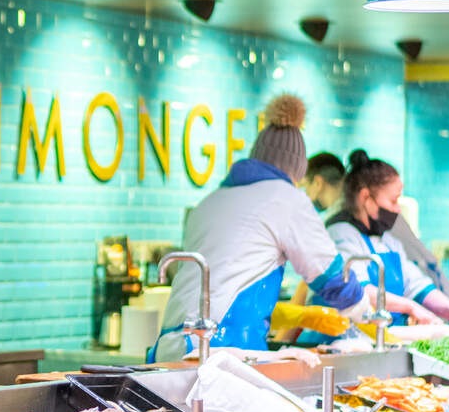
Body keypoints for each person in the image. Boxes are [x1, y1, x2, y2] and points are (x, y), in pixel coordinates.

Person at [153, 96, 368, 360]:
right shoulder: (286, 198)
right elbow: (331, 276)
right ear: (297, 171)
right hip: (221, 349)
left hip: (169, 349)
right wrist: (364, 310)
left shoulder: (210, 201)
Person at [326, 149, 449, 326]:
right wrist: (410, 307)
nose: (397, 209)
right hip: (343, 339)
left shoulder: (388, 240)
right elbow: (360, 291)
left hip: (385, 338)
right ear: (366, 197)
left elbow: (416, 285)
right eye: (393, 201)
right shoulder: (340, 234)